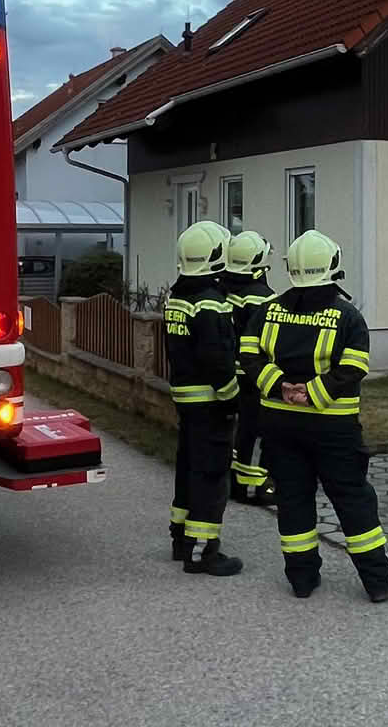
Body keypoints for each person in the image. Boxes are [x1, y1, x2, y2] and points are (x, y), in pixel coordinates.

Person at [239, 230, 388, 602]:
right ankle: (378, 582)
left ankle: (302, 579)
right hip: (333, 427)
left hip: (280, 425)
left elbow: (248, 357)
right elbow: (353, 368)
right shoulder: (347, 316)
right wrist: (313, 394)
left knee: (294, 499)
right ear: (333, 267)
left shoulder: (267, 311)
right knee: (352, 500)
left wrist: (279, 385)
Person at [165, 220, 243, 577]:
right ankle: (202, 552)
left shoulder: (177, 297)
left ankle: (180, 538)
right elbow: (218, 359)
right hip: (210, 403)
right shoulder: (211, 304)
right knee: (211, 474)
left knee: (188, 468)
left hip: (185, 398)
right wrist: (231, 398)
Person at [220, 230, 277, 506]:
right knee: (256, 431)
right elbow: (270, 341)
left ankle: (236, 484)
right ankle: (259, 487)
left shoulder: (223, 291)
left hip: (231, 375)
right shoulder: (263, 298)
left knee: (238, 430)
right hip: (257, 376)